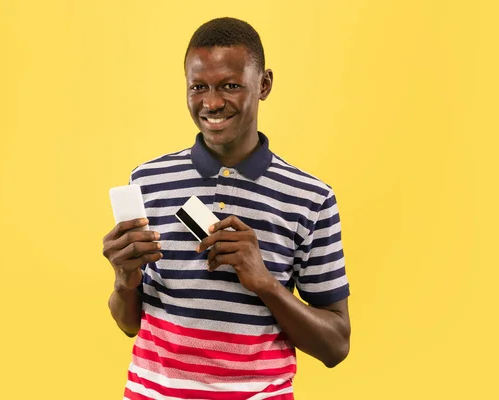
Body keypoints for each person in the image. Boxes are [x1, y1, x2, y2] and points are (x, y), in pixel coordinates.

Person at [102, 17, 351, 400]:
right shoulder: (147, 181)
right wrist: (124, 278)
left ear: (264, 84)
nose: (212, 103)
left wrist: (265, 282)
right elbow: (129, 324)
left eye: (230, 86)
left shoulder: (310, 197)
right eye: (198, 87)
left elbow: (335, 347)